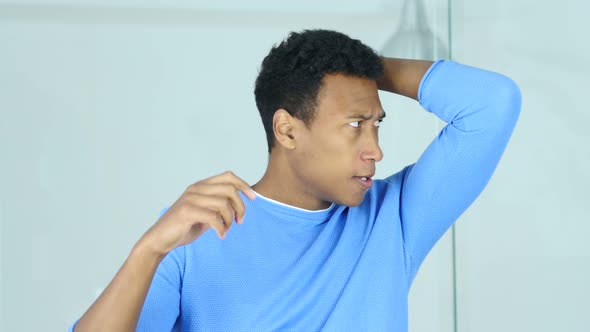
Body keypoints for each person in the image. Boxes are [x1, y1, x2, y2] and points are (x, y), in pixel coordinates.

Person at [70, 29, 521, 331]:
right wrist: (149, 251)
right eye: (354, 124)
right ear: (287, 129)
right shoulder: (197, 234)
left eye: (377, 124)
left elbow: (493, 104)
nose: (376, 150)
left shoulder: (394, 219)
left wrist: (362, 66)